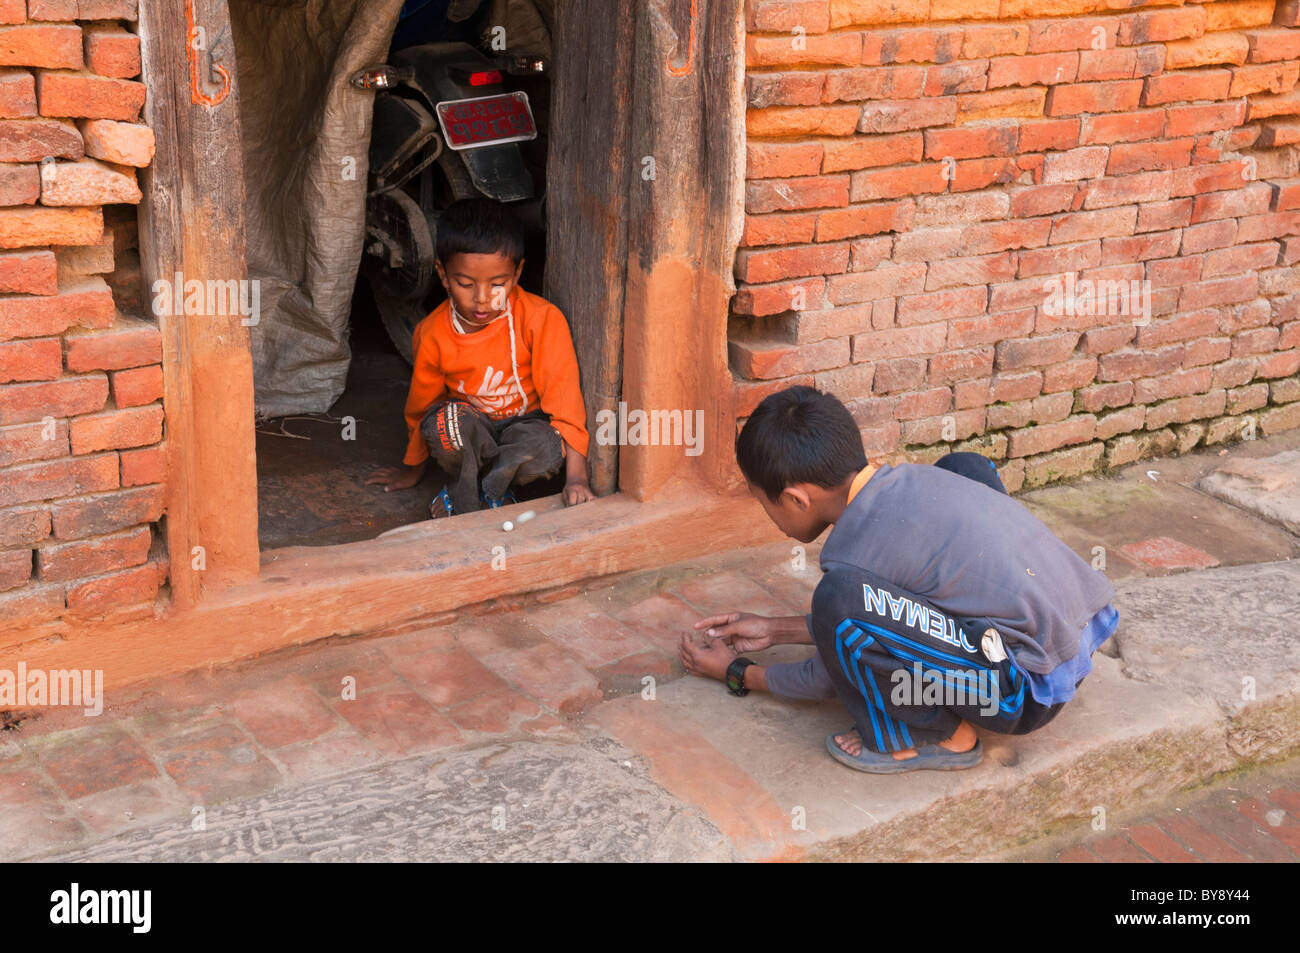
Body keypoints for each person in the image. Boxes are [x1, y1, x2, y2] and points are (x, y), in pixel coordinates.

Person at [679, 386, 1118, 774]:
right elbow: (901, 607)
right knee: (965, 467)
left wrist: (739, 672)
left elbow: (831, 674)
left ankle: (927, 737)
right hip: (1078, 633)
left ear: (795, 498)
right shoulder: (911, 479)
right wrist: (775, 629)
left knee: (840, 596)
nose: (770, 518)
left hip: (1022, 695)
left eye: (764, 504)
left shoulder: (850, 557)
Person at [366, 198, 592, 516]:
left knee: (544, 447)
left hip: (525, 427)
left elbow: (565, 405)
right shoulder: (432, 333)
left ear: (517, 274)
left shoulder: (541, 319)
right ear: (443, 275)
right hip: (472, 426)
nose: (482, 299)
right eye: (465, 284)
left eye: (497, 284)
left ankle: (483, 490)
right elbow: (421, 408)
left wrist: (577, 479)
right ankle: (479, 491)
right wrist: (412, 470)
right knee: (445, 424)